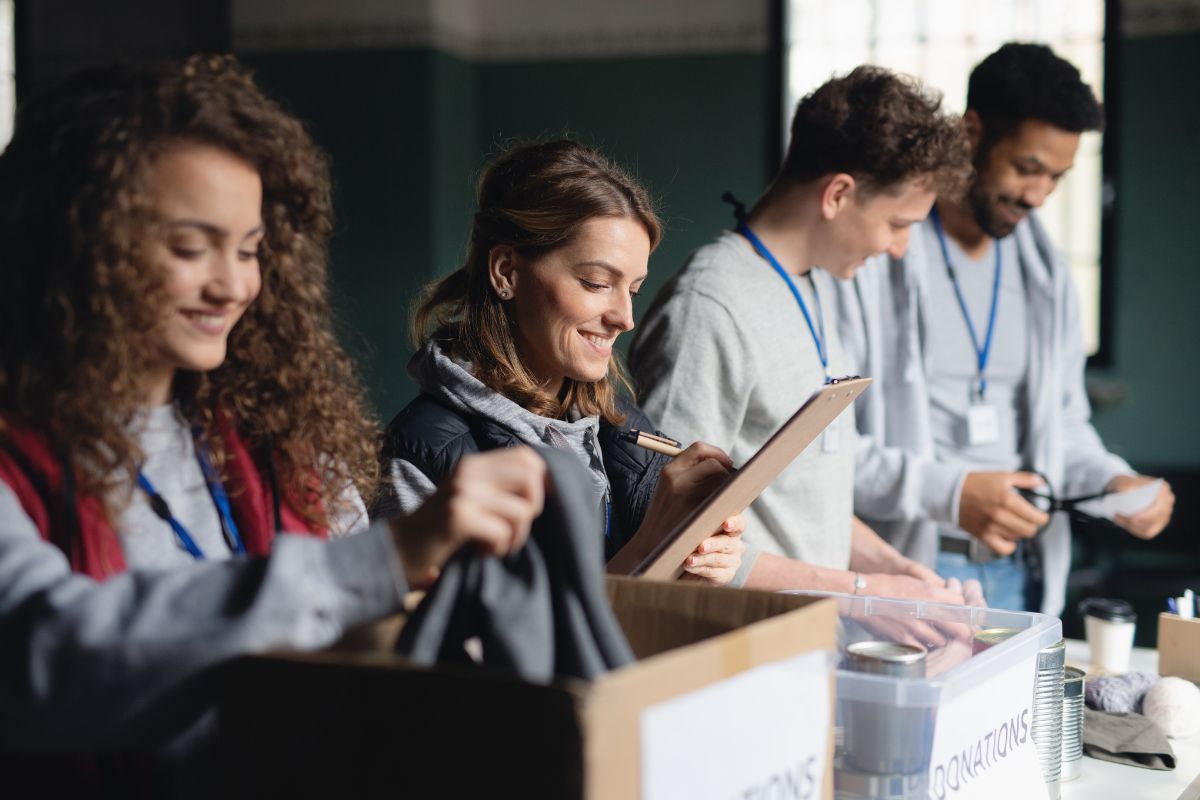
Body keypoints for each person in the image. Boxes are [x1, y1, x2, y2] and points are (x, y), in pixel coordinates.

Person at [0, 56, 547, 791]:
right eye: (190, 248)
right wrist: (385, 561)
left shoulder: (275, 430)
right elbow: (50, 660)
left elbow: (371, 617)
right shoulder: (14, 451)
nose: (231, 285)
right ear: (79, 245)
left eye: (250, 250)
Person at [835, 43, 1175, 615]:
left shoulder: (1046, 276)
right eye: (1026, 168)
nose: (1037, 196)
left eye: (1056, 178)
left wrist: (1113, 483)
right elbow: (830, 449)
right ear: (972, 131)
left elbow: (1064, 427)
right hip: (906, 569)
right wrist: (953, 494)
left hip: (1020, 571)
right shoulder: (875, 258)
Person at [630, 67, 978, 604]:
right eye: (898, 224)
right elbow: (678, 537)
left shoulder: (813, 285)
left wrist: (893, 569)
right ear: (838, 193)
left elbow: (799, 492)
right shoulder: (708, 307)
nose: (900, 248)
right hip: (735, 651)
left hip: (803, 642)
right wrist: (863, 591)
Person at [379, 139, 746, 585]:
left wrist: (695, 565)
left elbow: (650, 617)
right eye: (595, 283)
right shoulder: (419, 457)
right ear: (506, 272)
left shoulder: (621, 425)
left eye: (633, 289)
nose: (625, 319)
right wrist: (652, 547)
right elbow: (469, 651)